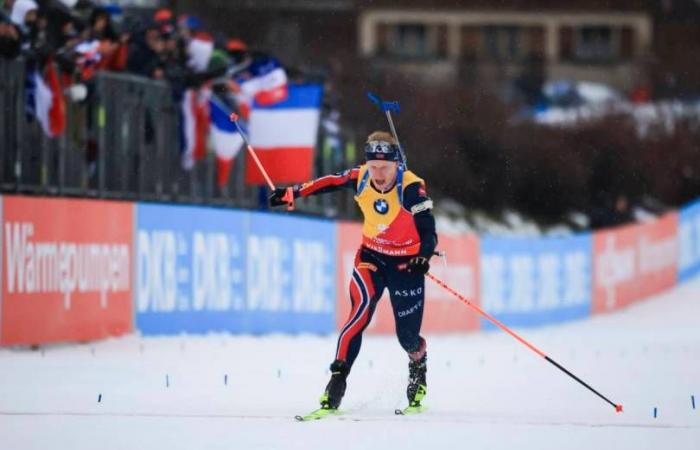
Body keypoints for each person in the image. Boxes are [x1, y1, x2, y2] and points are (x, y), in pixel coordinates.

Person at [269, 131, 438, 411]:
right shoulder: (360, 177)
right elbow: (329, 181)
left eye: (385, 167)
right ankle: (337, 380)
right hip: (371, 257)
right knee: (360, 311)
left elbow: (428, 228)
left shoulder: (410, 187)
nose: (378, 174)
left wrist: (423, 255)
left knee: (407, 337)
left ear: (397, 164)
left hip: (406, 265)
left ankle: (418, 363)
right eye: (373, 167)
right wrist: (291, 193)